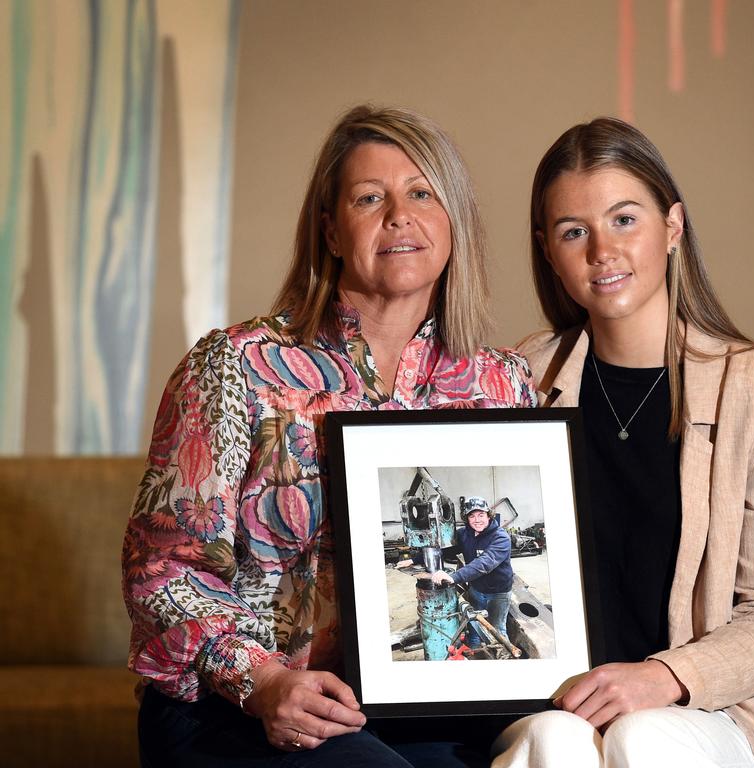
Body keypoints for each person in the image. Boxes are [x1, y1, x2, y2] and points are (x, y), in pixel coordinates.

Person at [122, 105, 535, 768]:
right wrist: (261, 680)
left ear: (453, 222)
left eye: (422, 194)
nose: (398, 214)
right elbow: (162, 569)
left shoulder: (503, 383)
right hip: (241, 710)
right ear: (331, 231)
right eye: (370, 198)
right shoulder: (235, 366)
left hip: (422, 700)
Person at [493, 118, 754, 767]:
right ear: (548, 250)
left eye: (624, 220)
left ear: (672, 227)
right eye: (573, 232)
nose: (601, 251)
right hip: (557, 707)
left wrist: (661, 678)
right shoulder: (513, 379)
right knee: (551, 740)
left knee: (643, 736)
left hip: (714, 713)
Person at [431, 496, 514, 649]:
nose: (477, 520)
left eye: (481, 515)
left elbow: (484, 563)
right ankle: (476, 652)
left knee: (497, 629)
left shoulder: (501, 537)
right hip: (476, 589)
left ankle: (503, 657)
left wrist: (453, 577)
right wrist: (415, 560)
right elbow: (445, 550)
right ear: (467, 519)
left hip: (499, 593)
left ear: (489, 515)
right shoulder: (464, 534)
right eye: (472, 516)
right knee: (474, 625)